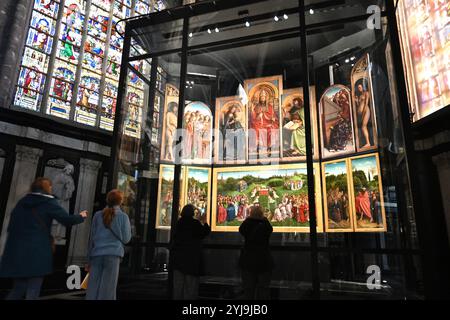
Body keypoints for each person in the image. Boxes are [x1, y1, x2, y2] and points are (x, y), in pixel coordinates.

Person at [0, 178, 87, 300]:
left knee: (19, 287)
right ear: (47, 188)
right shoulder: (48, 203)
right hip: (37, 251)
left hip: (17, 251)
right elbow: (66, 219)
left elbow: (11, 226)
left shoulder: (22, 202)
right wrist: (81, 216)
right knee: (33, 289)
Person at [86, 189, 131, 300]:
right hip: (113, 254)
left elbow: (92, 237)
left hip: (96, 253)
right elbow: (126, 239)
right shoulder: (123, 217)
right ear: (120, 202)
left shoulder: (97, 215)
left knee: (93, 286)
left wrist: (88, 259)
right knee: (108, 288)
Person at [171, 205, 211, 300]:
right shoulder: (194, 223)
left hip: (178, 261)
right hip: (191, 261)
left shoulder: (179, 223)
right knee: (190, 288)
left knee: (178, 288)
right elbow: (204, 232)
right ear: (192, 213)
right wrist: (204, 221)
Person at [239, 206, 274, 300]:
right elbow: (270, 229)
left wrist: (249, 218)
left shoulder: (247, 224)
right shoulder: (265, 225)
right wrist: (264, 219)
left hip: (248, 261)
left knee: (248, 290)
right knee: (263, 290)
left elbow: (241, 229)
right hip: (263, 260)